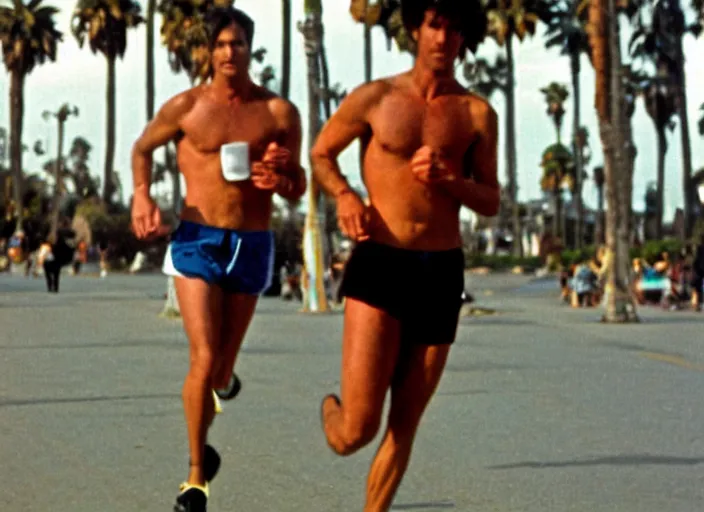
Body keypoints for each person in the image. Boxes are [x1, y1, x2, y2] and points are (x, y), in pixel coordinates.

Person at [310, 1, 497, 510]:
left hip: (440, 270)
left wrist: (451, 180)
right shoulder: (377, 98)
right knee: (357, 430)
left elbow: (491, 200)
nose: (445, 38)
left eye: (456, 29)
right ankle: (332, 411)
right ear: (416, 27)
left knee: (406, 420)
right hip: (381, 263)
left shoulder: (475, 113)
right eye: (436, 25)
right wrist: (347, 197)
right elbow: (322, 154)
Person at [130, 6, 306, 512]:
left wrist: (282, 178)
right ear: (209, 50)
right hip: (196, 239)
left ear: (250, 49)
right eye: (222, 44)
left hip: (252, 243)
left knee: (222, 371)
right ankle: (194, 479)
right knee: (202, 357)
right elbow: (142, 149)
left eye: (239, 44)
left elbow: (297, 186)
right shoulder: (186, 107)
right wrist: (142, 196)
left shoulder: (277, 113)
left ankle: (224, 385)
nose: (231, 53)